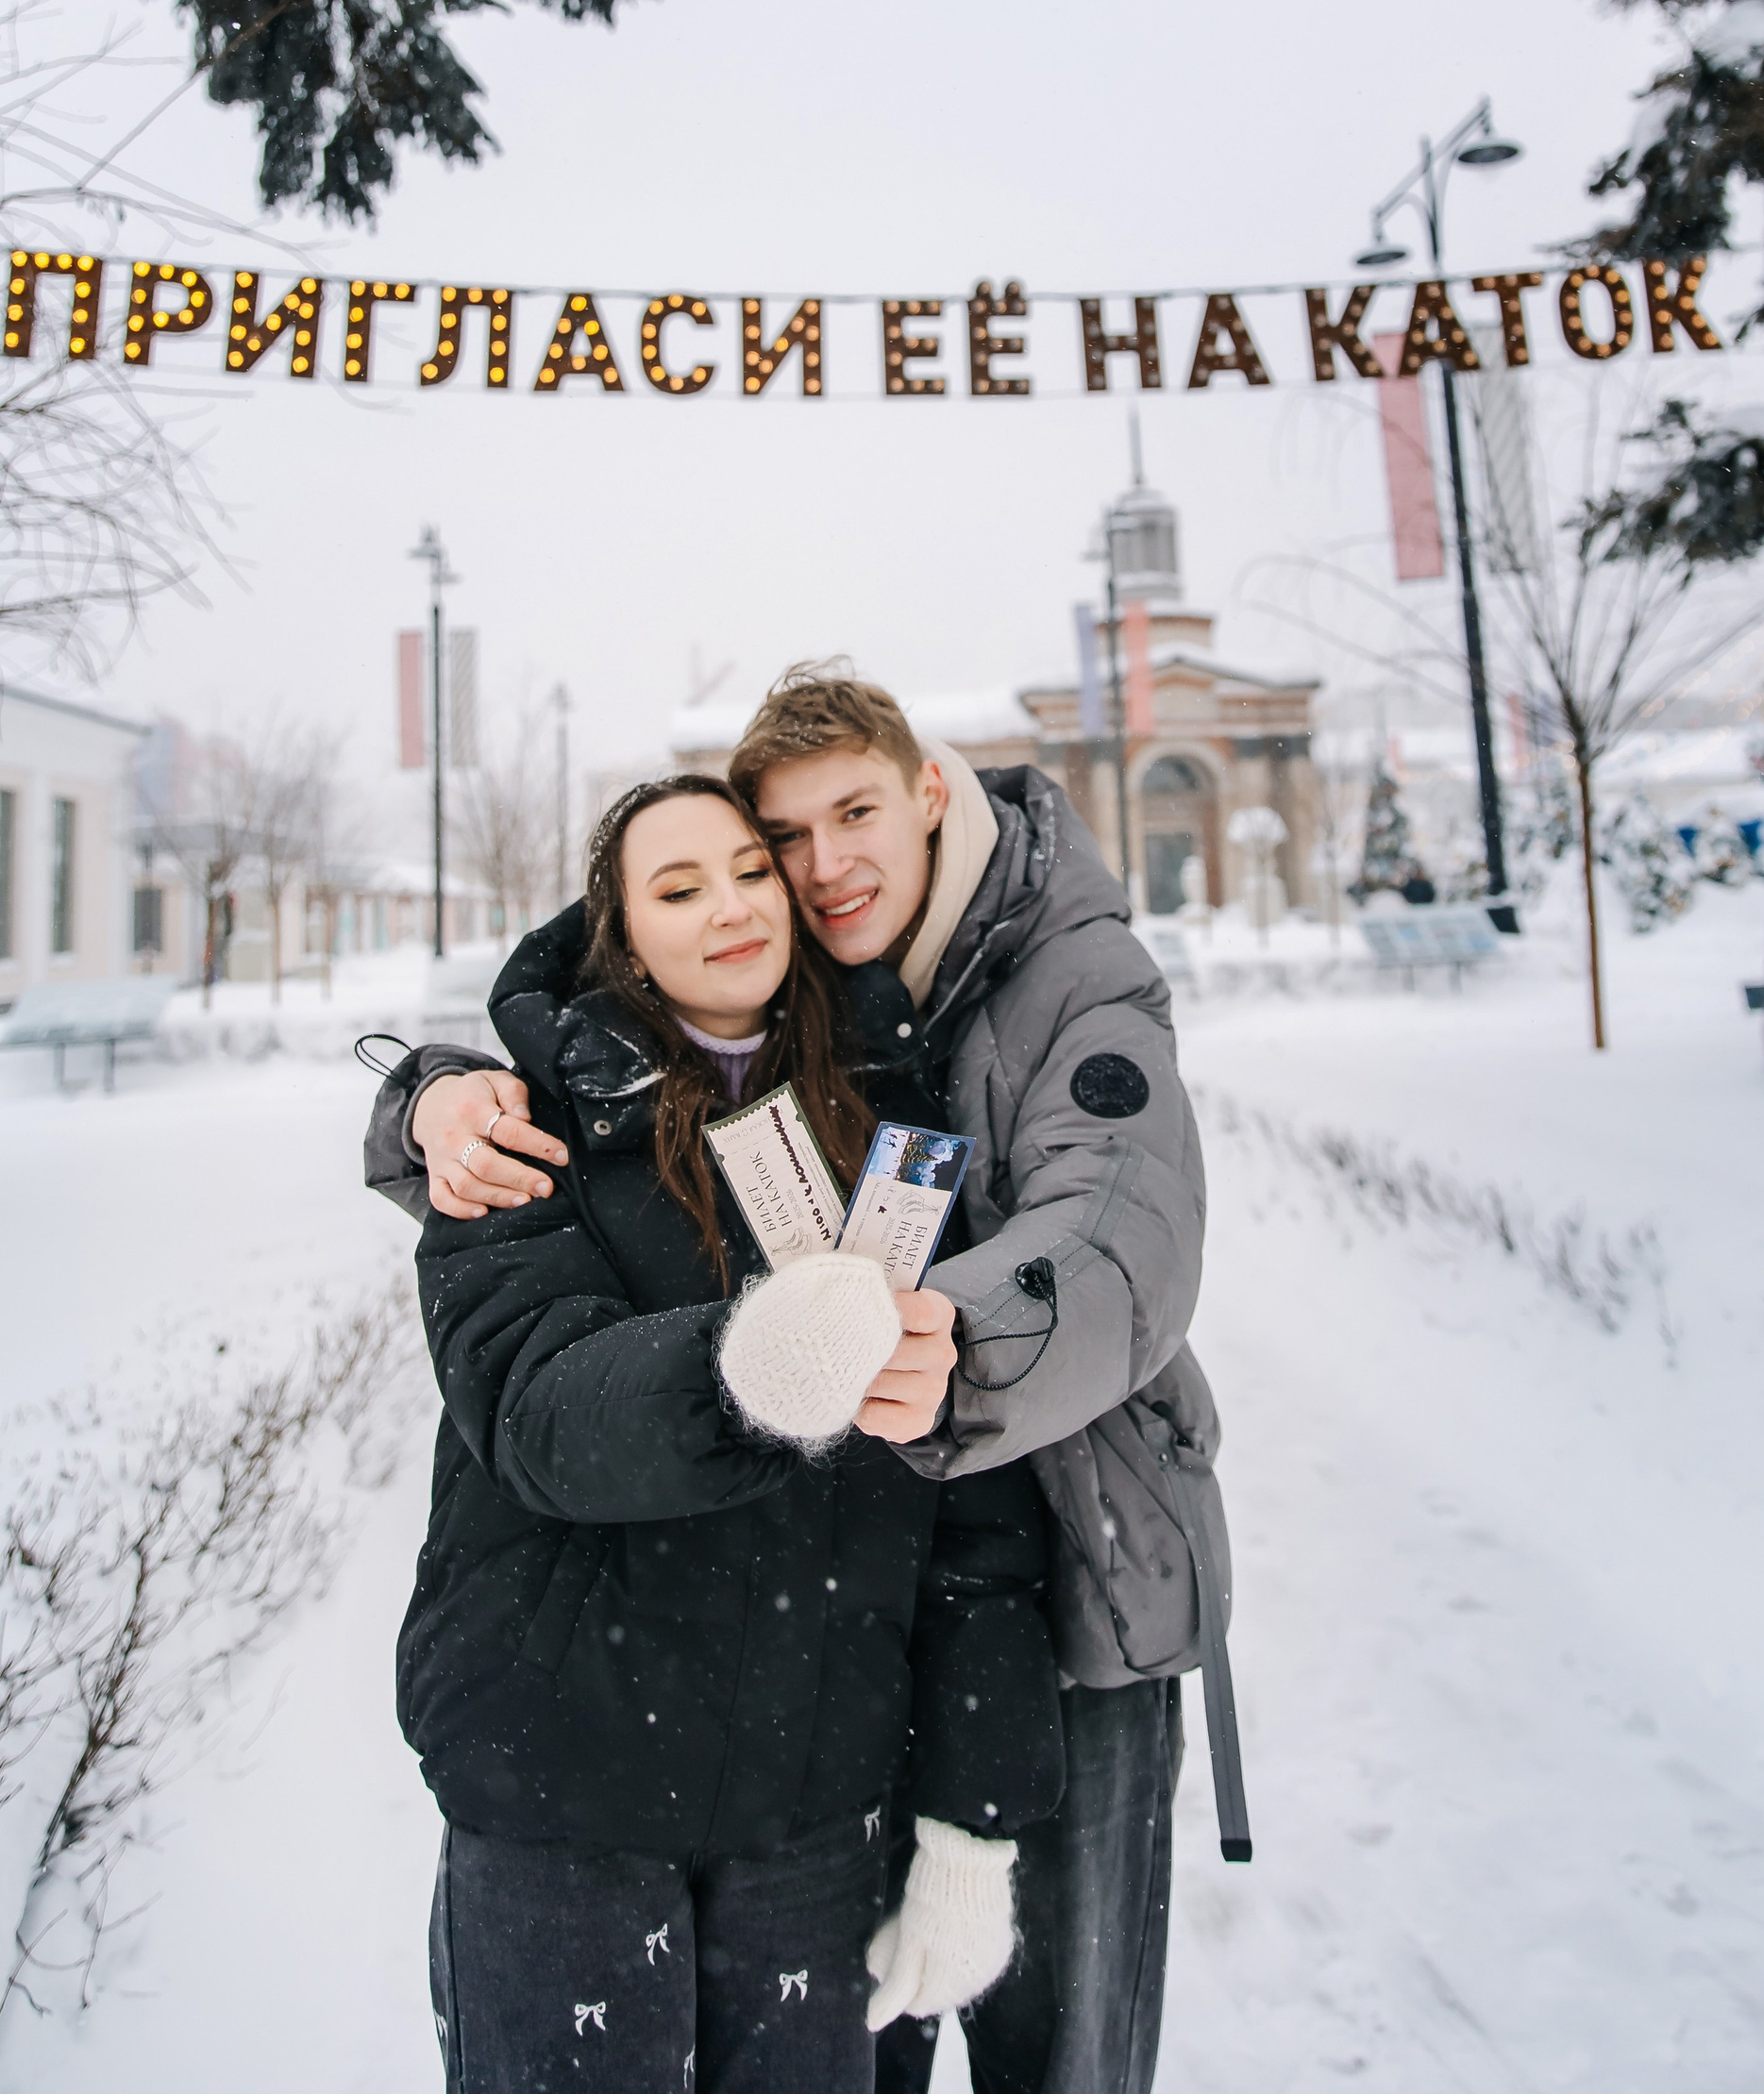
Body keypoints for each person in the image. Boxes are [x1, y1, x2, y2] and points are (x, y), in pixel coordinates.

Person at [371, 670, 1243, 2094]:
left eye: (770, 859)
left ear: (930, 795)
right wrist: (431, 1096)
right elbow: (539, 1409)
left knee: (1064, 2049)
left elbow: (1107, 1262)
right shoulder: (529, 1130)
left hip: (869, 1748)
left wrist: (968, 1826)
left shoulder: (942, 1072)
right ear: (620, 935)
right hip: (577, 1777)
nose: (789, 879)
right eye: (756, 851)